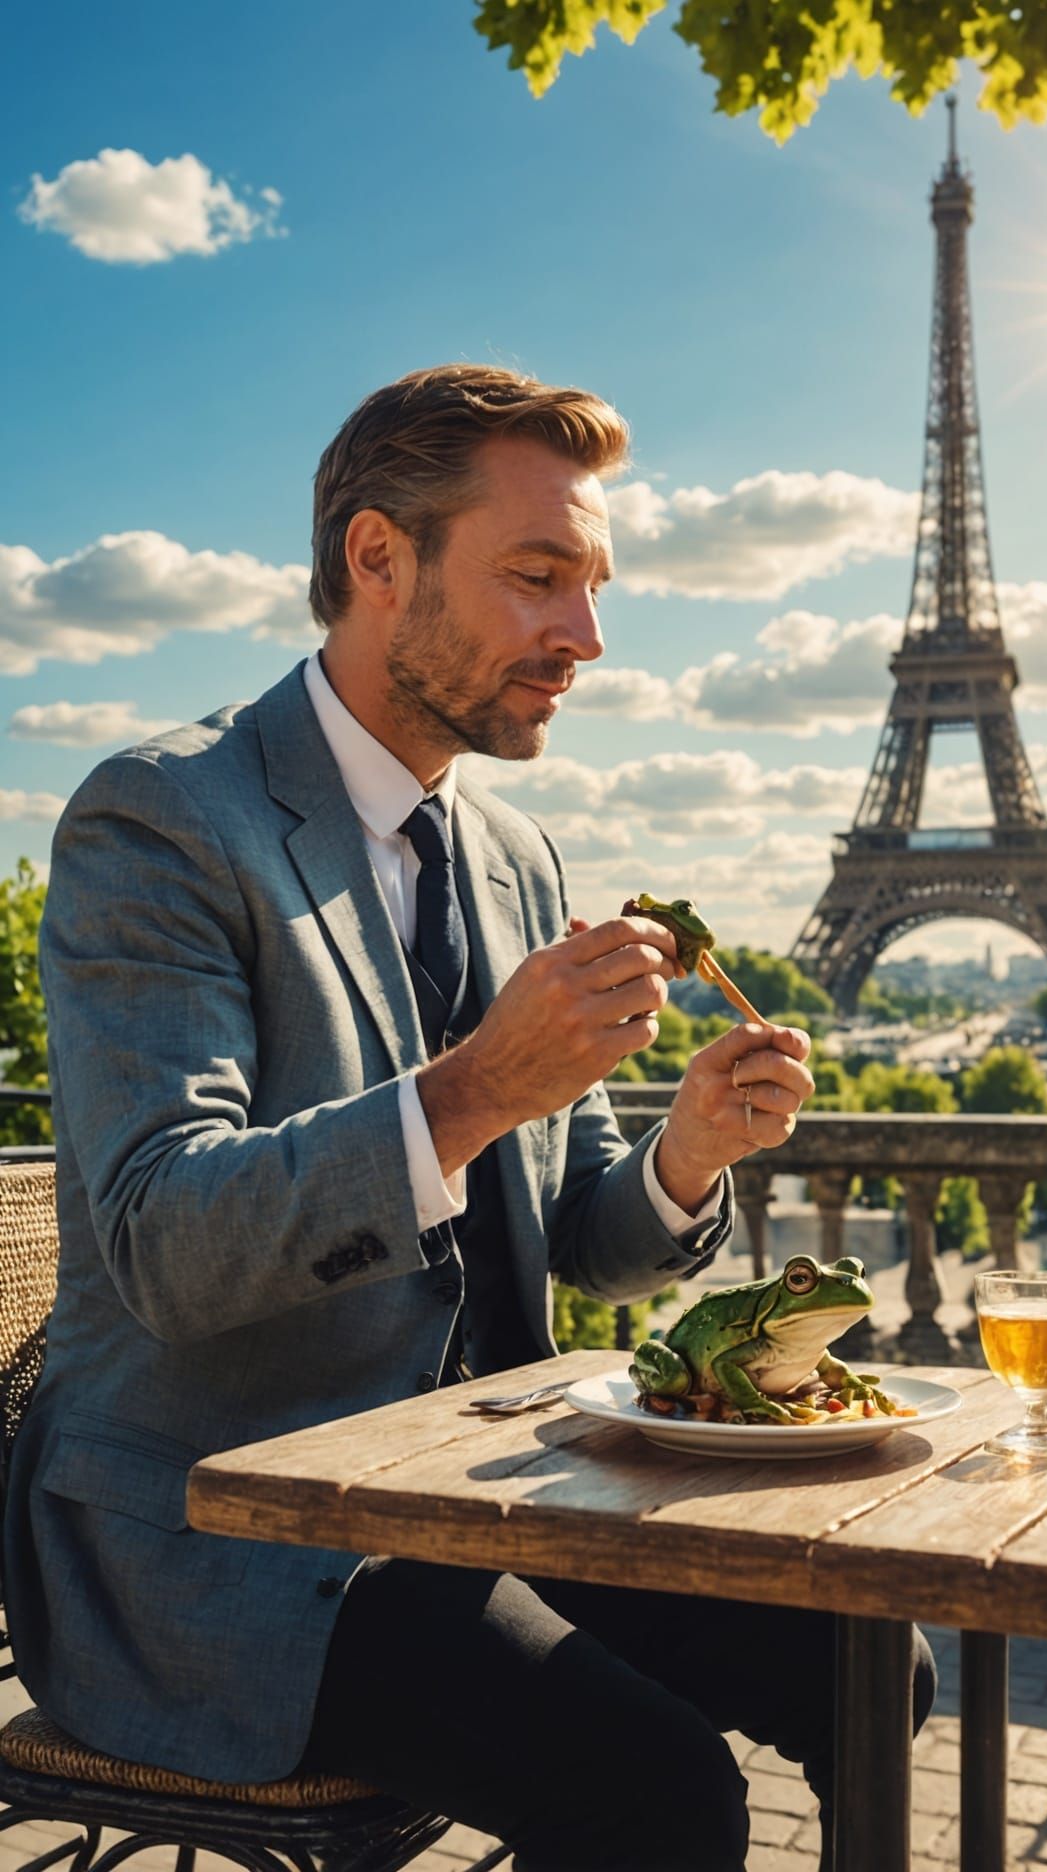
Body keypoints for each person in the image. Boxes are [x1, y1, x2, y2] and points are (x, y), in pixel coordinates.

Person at [5, 366, 933, 1871]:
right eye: (538, 575)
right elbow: (165, 1238)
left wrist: (687, 1154)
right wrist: (478, 1088)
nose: (586, 634)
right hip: (226, 1543)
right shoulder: (161, 817)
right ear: (378, 559)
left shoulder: (511, 851)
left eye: (593, 583)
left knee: (870, 1660)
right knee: (655, 1786)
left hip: (481, 1493)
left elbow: (581, 1241)